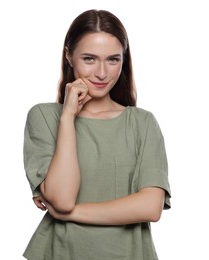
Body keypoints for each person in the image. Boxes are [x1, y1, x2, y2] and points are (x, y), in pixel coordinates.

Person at [23, 9, 171, 260]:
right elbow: (62, 199)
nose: (102, 73)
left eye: (113, 59)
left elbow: (150, 207)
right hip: (61, 252)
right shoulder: (45, 117)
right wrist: (68, 117)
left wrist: (69, 214)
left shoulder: (142, 123)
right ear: (69, 56)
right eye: (90, 59)